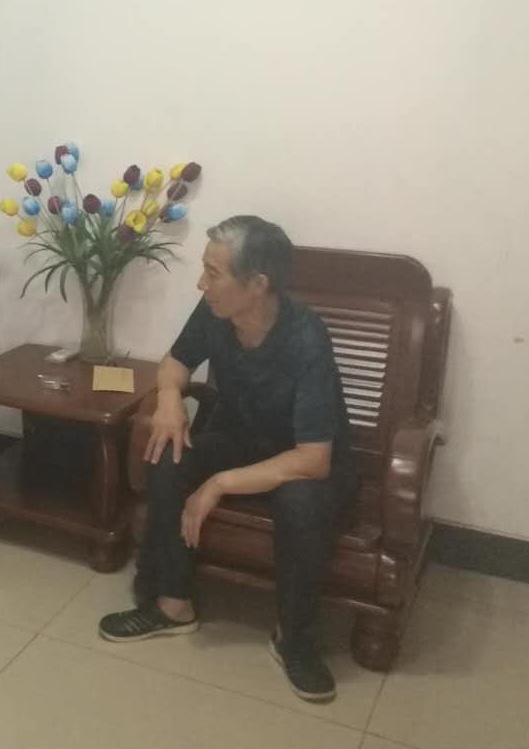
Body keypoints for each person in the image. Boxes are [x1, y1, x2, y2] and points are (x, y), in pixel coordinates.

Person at [97, 215, 358, 702]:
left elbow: (313, 458)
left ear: (257, 284)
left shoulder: (306, 338)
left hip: (305, 462)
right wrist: (170, 402)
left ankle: (294, 638)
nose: (202, 283)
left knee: (299, 502)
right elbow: (176, 362)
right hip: (243, 439)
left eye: (213, 273)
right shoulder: (215, 311)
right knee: (168, 452)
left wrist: (218, 484)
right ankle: (172, 604)